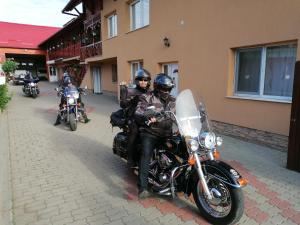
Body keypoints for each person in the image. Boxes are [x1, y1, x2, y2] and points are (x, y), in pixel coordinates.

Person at [134, 73, 175, 199]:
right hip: (151, 133)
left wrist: (197, 114)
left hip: (168, 133)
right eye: (164, 89)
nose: (166, 91)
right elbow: (138, 112)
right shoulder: (147, 97)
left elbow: (181, 112)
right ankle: (143, 187)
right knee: (146, 154)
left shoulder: (173, 100)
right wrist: (146, 114)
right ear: (157, 87)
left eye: (168, 89)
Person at [120, 68, 151, 167]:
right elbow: (123, 104)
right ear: (137, 80)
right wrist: (126, 97)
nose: (143, 82)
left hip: (146, 116)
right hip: (133, 117)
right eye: (141, 80)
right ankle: (130, 157)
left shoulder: (150, 92)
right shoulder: (131, 91)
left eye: (145, 80)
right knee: (134, 132)